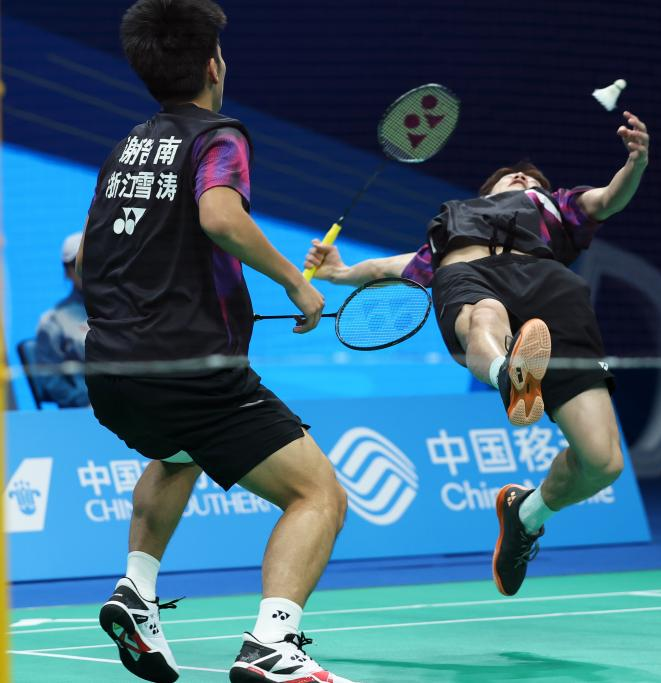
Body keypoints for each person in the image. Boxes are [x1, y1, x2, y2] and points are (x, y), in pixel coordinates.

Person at [78, 2, 354, 681]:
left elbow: (92, 258)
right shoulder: (220, 136)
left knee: (179, 454)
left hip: (111, 369)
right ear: (213, 65)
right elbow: (220, 215)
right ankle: (273, 645)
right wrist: (296, 282)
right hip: (192, 373)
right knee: (318, 495)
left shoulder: (127, 146)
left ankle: (136, 590)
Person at [304, 112, 650, 597]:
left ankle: (526, 514)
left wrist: (636, 162)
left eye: (531, 178)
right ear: (488, 191)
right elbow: (389, 266)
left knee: (603, 462)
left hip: (552, 290)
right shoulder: (453, 224)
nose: (522, 178)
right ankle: (509, 375)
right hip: (470, 276)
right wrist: (339, 274)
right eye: (512, 176)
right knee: (485, 315)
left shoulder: (555, 205)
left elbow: (610, 197)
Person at [34, 231, 89, 408]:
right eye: (80, 263)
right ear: (68, 272)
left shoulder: (125, 312)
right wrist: (89, 401)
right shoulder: (53, 322)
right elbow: (50, 380)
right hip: (86, 415)